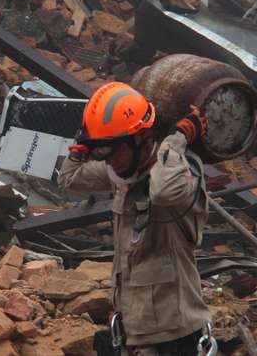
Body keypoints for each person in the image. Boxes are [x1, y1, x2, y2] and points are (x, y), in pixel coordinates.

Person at [58, 82, 211, 356]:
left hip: (172, 337)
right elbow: (68, 179)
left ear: (142, 138)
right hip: (133, 332)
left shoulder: (182, 173)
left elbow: (163, 192)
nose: (109, 160)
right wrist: (84, 144)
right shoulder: (122, 173)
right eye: (101, 152)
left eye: (113, 150)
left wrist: (176, 140)